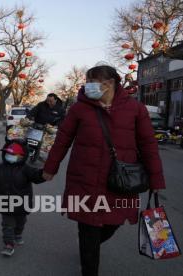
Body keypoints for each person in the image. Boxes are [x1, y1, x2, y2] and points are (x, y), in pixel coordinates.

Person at [42, 65, 165, 276]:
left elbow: (148, 146)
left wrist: (156, 180)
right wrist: (50, 167)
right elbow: (62, 140)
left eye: (92, 82)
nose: (87, 86)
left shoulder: (135, 109)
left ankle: (89, 247)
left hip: (119, 181)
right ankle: (88, 262)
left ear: (109, 83)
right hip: (84, 179)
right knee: (88, 228)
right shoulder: (79, 109)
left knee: (112, 223)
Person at [0, 141, 46, 257]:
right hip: (5, 203)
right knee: (7, 225)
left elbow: (37, 176)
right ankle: (8, 244)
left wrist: (45, 173)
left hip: (21, 204)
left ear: (22, 156)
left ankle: (18, 234)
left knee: (20, 222)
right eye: (8, 154)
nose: (10, 157)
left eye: (14, 155)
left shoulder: (26, 169)